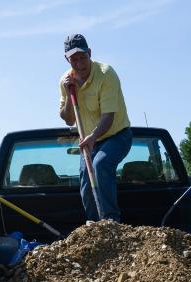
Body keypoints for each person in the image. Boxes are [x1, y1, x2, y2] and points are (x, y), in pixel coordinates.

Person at [58, 33, 133, 222]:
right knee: (85, 182)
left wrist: (92, 137)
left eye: (83, 57)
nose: (79, 63)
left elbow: (108, 117)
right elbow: (68, 120)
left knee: (100, 164)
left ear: (89, 53)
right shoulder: (65, 81)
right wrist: (68, 95)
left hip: (117, 136)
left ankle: (111, 221)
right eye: (74, 59)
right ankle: (93, 226)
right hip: (90, 140)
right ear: (67, 59)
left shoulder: (106, 74)